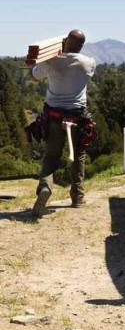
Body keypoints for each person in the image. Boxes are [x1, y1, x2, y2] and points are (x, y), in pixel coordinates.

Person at [30, 30, 97, 218]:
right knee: (78, 155)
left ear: (65, 42)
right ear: (82, 45)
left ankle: (45, 187)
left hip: (54, 116)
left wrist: (49, 57)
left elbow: (34, 76)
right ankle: (77, 197)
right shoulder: (88, 63)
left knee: (51, 156)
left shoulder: (51, 61)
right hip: (78, 117)